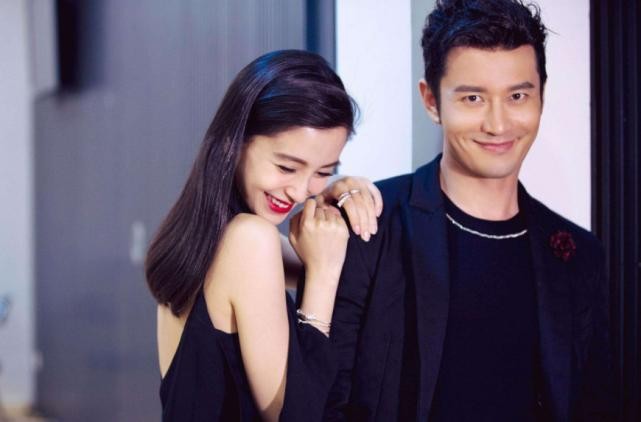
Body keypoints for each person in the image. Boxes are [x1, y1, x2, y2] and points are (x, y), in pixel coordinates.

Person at [326, 1, 614, 421]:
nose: (498, 124)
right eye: (473, 98)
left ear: (541, 96)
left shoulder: (579, 255)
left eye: (517, 96)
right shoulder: (370, 225)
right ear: (431, 101)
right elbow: (324, 398)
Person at [145, 49, 382, 421]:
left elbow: (328, 262)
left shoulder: (206, 239)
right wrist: (322, 276)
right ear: (237, 141)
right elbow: (297, 416)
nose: (300, 192)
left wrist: (337, 188)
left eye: (322, 171)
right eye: (287, 167)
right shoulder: (249, 239)